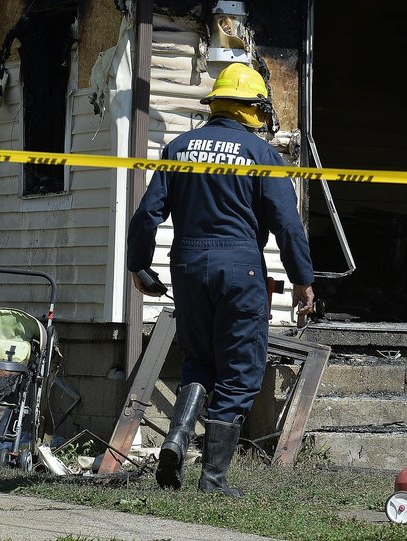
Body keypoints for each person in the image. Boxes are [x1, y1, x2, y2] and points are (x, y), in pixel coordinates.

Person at [126, 63, 315, 496]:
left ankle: (176, 437)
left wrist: (139, 266)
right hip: (239, 266)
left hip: (187, 266)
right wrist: (302, 279)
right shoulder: (262, 155)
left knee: (198, 359)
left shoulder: (179, 147)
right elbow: (287, 224)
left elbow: (147, 215)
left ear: (216, 104)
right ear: (253, 109)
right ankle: (213, 479)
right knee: (240, 370)